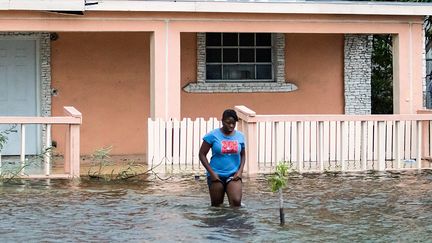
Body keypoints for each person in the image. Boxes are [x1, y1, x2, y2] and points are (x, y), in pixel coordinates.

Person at [199, 109, 246, 207]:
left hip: (233, 175)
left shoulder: (240, 136)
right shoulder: (212, 135)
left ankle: (234, 222)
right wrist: (212, 173)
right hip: (216, 175)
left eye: (233, 123)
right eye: (228, 123)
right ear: (222, 121)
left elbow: (243, 154)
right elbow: (202, 154)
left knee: (236, 202)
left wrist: (240, 171)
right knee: (217, 206)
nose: (231, 126)